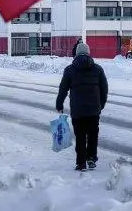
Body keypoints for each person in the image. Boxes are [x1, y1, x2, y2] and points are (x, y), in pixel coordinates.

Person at [56, 42, 108, 171]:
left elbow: (63, 89)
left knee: (80, 136)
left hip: (78, 110)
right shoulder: (98, 69)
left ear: (76, 54)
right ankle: (91, 158)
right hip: (94, 109)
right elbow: (104, 88)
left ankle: (81, 163)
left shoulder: (69, 70)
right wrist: (101, 104)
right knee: (92, 135)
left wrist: (59, 103)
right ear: (89, 53)